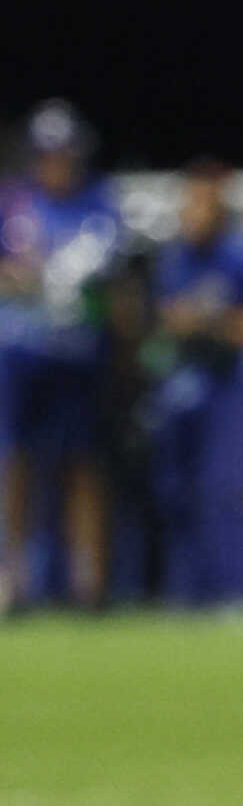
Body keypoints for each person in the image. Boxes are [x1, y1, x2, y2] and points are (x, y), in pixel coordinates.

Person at [1, 102, 123, 612]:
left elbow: (117, 284)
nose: (57, 164)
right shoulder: (13, 203)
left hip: (80, 355)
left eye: (65, 154)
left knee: (83, 467)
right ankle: (11, 578)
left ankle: (87, 584)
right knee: (17, 465)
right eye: (48, 154)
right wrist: (24, 278)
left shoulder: (101, 204)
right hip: (20, 351)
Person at [149, 160, 243, 603]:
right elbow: (169, 321)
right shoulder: (175, 254)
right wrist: (209, 321)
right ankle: (181, 594)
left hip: (232, 384)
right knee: (176, 491)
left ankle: (230, 593)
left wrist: (206, 321)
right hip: (185, 381)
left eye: (204, 202)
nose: (195, 212)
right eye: (191, 202)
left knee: (224, 490)